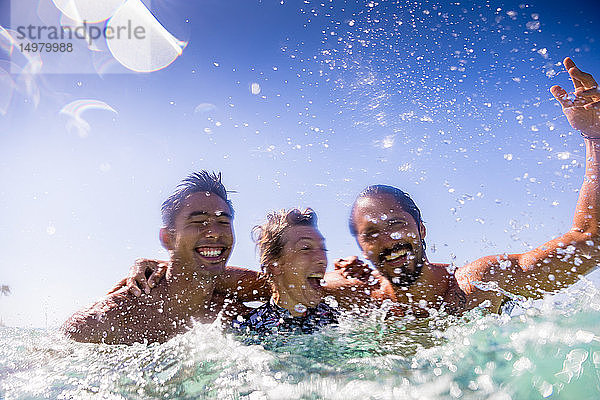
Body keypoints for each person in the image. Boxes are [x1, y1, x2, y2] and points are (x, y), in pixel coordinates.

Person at [120, 56, 600, 318]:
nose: (387, 239)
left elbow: (588, 243)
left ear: (422, 228)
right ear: (360, 249)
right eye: (370, 234)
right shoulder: (354, 302)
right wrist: (158, 264)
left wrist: (595, 139)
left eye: (396, 225)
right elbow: (266, 279)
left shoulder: (476, 284)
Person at [62, 171, 266, 345]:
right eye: (199, 221)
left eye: (223, 222)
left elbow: (280, 287)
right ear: (167, 238)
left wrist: (175, 264)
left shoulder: (233, 314)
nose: (214, 232)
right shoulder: (104, 320)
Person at [232, 208, 339, 336]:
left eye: (323, 249)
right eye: (306, 248)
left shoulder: (338, 321)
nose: (322, 259)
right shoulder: (249, 330)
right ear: (274, 265)